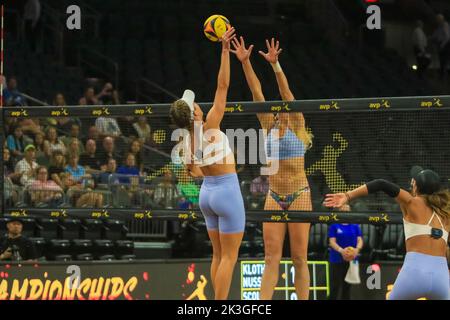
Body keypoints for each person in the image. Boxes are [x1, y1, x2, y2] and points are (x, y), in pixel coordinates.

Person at [232, 36, 313, 300]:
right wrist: (245, 63)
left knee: (299, 259)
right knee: (270, 258)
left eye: (285, 108)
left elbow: (286, 94)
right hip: (274, 196)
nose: (281, 110)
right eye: (279, 110)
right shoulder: (268, 124)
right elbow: (257, 93)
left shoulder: (299, 125)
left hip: (299, 194)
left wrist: (276, 66)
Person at [169, 27, 244, 300]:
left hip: (207, 194)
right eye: (195, 104)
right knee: (230, 257)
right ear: (195, 112)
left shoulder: (187, 139)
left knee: (218, 254)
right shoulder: (210, 123)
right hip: (225, 190)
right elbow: (222, 86)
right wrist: (225, 51)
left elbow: (194, 172)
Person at [325, 166, 449, 300]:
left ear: (415, 187)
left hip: (415, 272)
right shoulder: (446, 213)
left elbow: (381, 184)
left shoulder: (411, 202)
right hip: (441, 276)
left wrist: (348, 196)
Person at [328, 204, 363, 300]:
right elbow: (332, 242)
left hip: (351, 259)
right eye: (343, 210)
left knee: (347, 287)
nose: (345, 212)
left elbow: (360, 240)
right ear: (339, 212)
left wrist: (356, 250)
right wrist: (341, 251)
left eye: (347, 210)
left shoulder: (355, 226)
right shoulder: (334, 226)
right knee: (335, 286)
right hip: (336, 259)